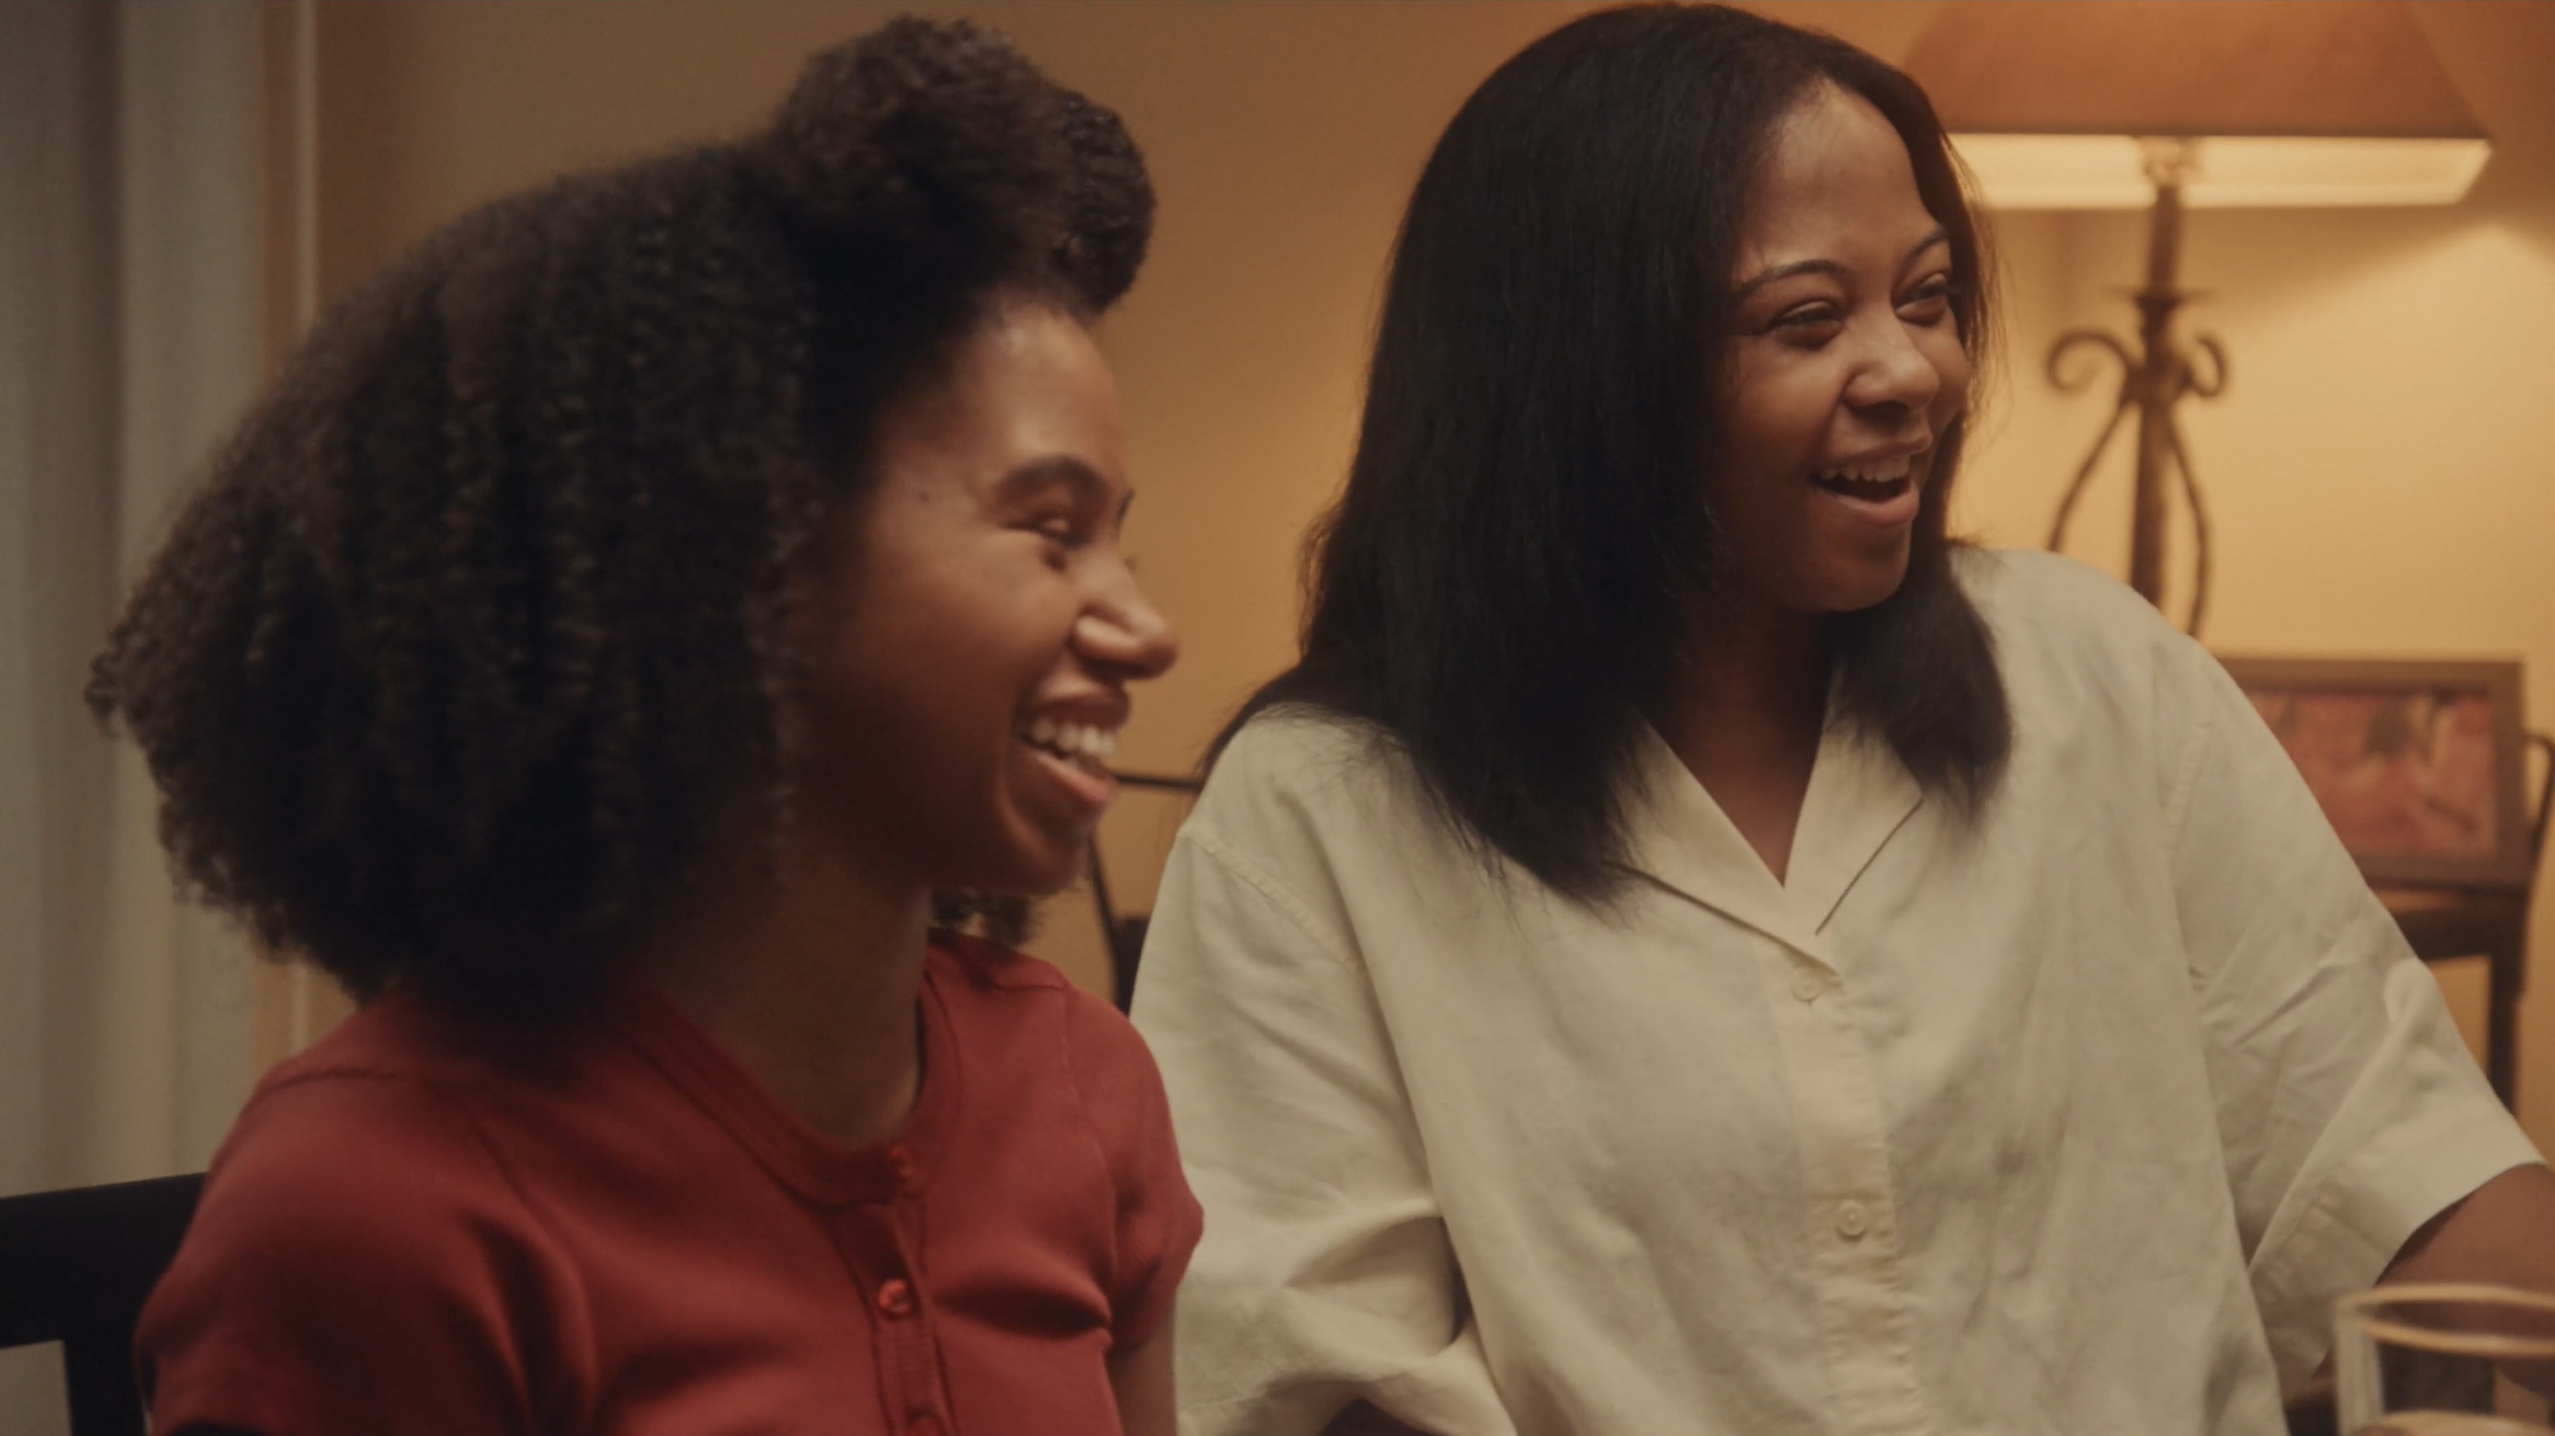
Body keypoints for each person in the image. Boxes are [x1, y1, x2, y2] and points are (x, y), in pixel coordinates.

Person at [1127, 5, 2555, 1435]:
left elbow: (2395, 1165)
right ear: (1577, 378)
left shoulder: (2097, 678)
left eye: (1926, 299)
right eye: (1806, 322)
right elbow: (1299, 1377)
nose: (1912, 373)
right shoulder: (1320, 814)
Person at [90, 19, 1194, 1436]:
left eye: (1119, 541)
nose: (1145, 629)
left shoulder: (1083, 1087)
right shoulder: (379, 1207)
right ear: (743, 566)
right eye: (1050, 531)